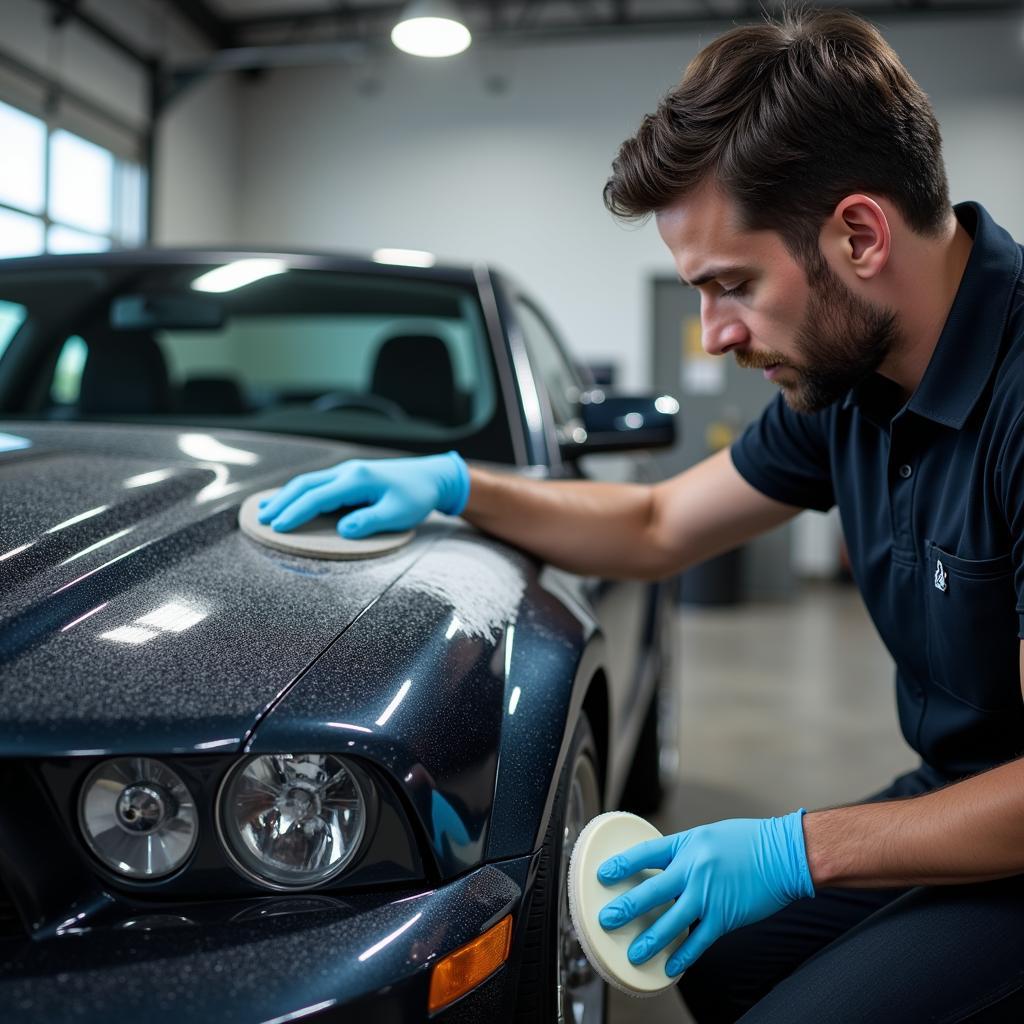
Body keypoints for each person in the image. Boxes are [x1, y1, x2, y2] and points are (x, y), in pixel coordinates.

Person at [257, 7, 1024, 1021]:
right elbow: (658, 525)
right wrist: (457, 485)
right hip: (958, 795)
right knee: (706, 956)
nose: (713, 337)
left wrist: (797, 848)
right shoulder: (854, 384)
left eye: (731, 285)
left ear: (859, 233)